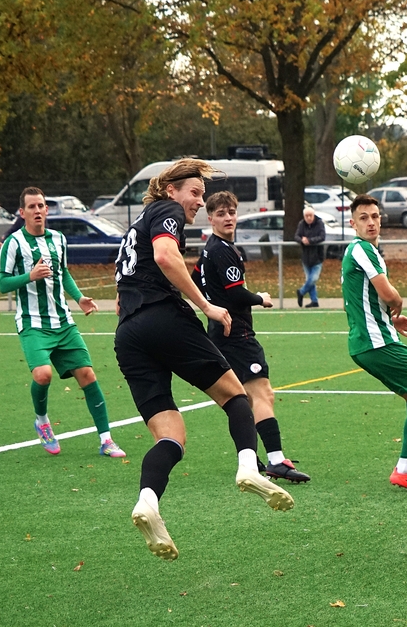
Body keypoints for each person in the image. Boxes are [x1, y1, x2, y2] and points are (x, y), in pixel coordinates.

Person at [115, 159, 294, 561]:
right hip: (164, 319)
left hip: (128, 335)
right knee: (236, 396)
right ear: (170, 190)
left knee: (170, 436)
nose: (198, 201)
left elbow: (126, 290)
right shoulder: (166, 210)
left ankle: (148, 502)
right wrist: (207, 306)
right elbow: (166, 256)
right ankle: (248, 466)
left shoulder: (134, 229)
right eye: (194, 193)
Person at [0, 187, 125, 459]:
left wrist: (79, 298)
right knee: (43, 374)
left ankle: (106, 440)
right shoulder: (14, 243)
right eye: (31, 207)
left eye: (41, 205)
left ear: (46, 209)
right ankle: (42, 421)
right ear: (22, 212)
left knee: (88, 375)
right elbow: (3, 283)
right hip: (32, 322)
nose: (37, 210)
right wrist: (30, 276)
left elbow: (63, 272)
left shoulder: (58, 239)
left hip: (63, 321)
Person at [193, 191, 310, 483]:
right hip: (237, 334)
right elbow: (235, 293)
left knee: (240, 397)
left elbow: (196, 280)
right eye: (221, 214)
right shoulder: (223, 250)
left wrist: (211, 304)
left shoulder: (209, 249)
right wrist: (261, 298)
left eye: (231, 212)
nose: (228, 218)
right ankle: (276, 461)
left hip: (219, 332)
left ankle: (250, 457)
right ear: (210, 218)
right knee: (262, 393)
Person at [341, 193, 407, 492]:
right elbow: (389, 294)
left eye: (375, 216)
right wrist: (397, 303)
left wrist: (391, 320)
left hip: (371, 340)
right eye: (364, 218)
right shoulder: (363, 249)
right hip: (375, 342)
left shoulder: (358, 251)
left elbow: (361, 301)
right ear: (353, 223)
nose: (371, 222)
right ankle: (405, 468)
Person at [295, 207, 325, 308]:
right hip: (306, 257)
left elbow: (322, 236)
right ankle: (314, 301)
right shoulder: (301, 224)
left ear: (313, 215)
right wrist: (302, 240)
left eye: (310, 215)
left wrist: (310, 240)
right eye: (306, 216)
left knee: (313, 279)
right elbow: (296, 236)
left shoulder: (319, 223)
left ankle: (301, 292)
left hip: (317, 256)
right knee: (309, 279)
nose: (308, 218)